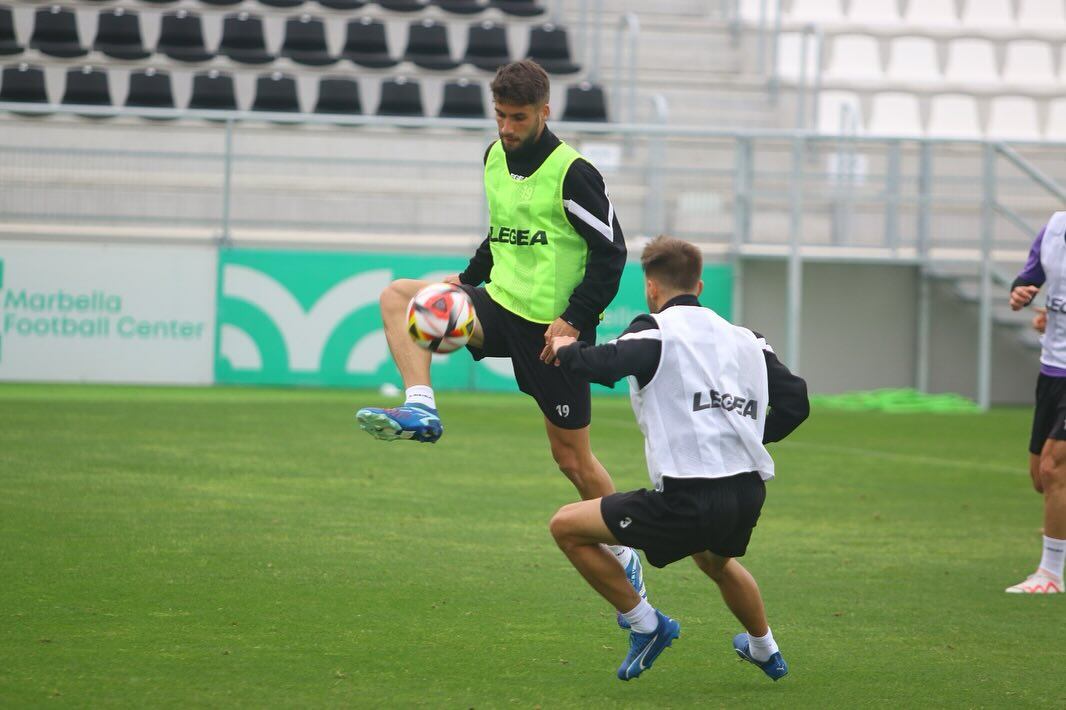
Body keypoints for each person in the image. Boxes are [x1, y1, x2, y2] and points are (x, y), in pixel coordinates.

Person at [356, 60, 651, 615]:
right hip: (497, 304)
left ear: (544, 112)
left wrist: (573, 320)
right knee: (399, 296)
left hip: (550, 331)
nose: (507, 128)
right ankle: (420, 407)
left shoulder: (574, 173)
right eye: (500, 116)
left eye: (518, 117)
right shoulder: (493, 157)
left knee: (573, 460)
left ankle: (622, 544)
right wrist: (467, 280)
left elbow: (612, 252)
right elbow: (500, 233)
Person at [544, 236, 809, 681]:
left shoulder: (655, 330)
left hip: (688, 496)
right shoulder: (748, 340)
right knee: (715, 562)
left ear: (651, 287)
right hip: (746, 493)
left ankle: (646, 624)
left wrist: (568, 348)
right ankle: (765, 648)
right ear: (700, 285)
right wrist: (744, 435)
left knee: (566, 528)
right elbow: (797, 403)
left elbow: (603, 365)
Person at [1006, 210, 1066, 595]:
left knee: (1054, 467)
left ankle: (1050, 574)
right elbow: (1025, 283)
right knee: (1040, 479)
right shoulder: (1054, 229)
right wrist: (1023, 296)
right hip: (1053, 371)